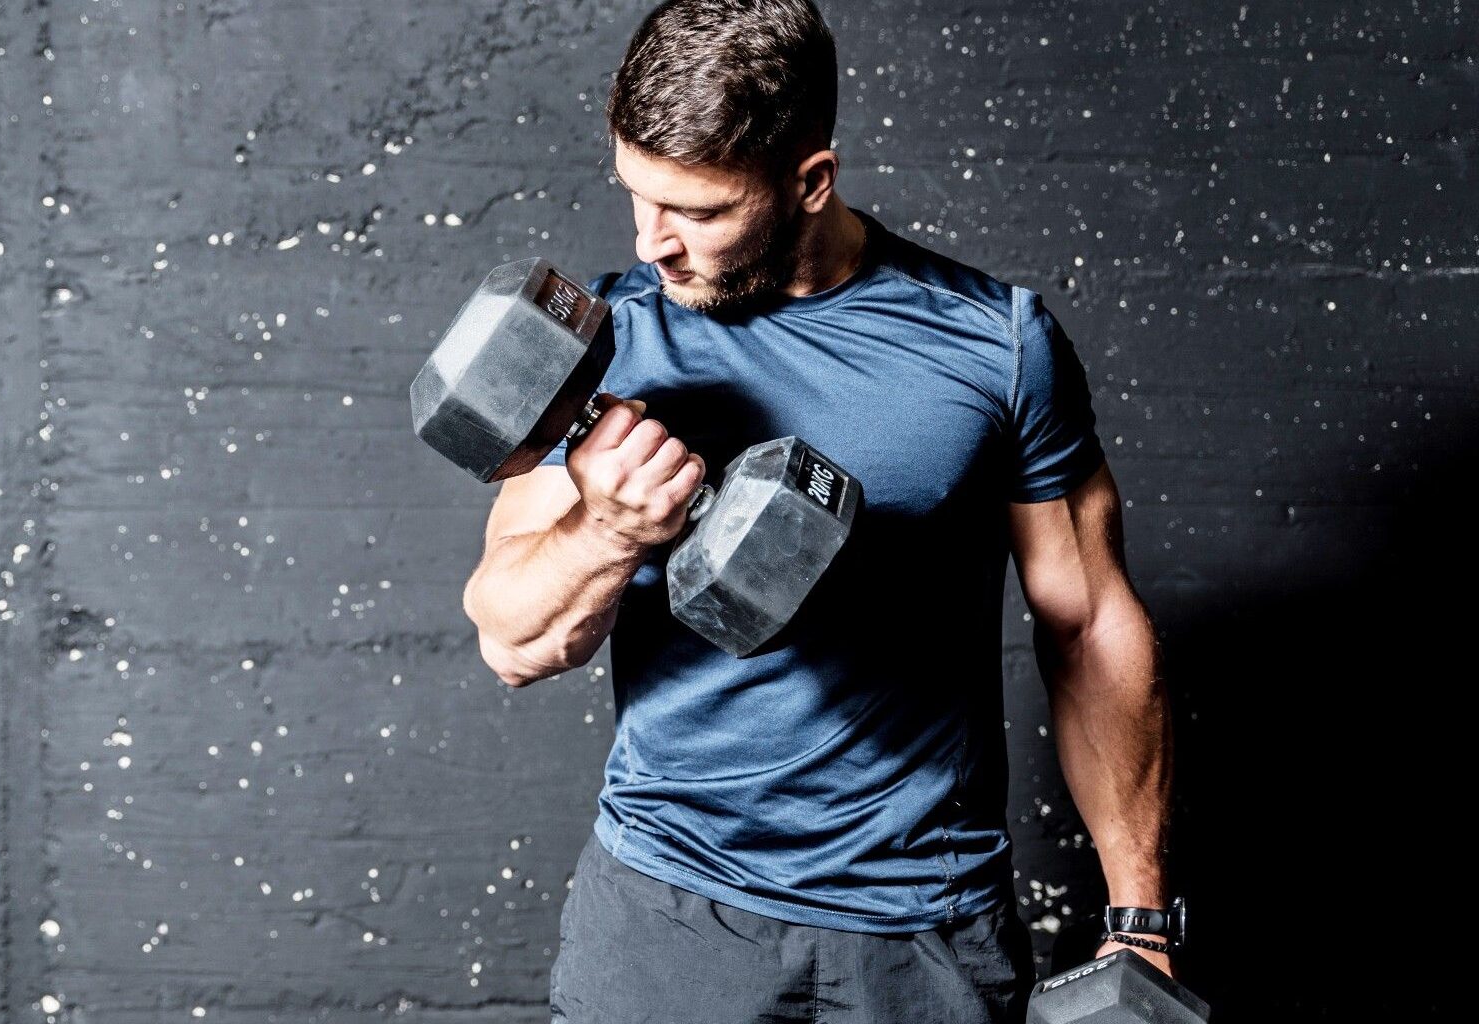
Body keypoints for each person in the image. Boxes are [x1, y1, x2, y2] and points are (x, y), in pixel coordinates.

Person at [458, 2, 1177, 1021]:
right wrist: (610, 527)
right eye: (635, 197)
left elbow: (1090, 624)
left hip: (924, 934)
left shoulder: (995, 346)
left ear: (810, 181)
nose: (652, 244)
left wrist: (1138, 917)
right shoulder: (606, 347)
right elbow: (512, 637)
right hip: (669, 920)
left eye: (698, 212)